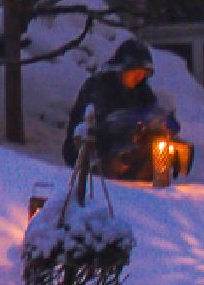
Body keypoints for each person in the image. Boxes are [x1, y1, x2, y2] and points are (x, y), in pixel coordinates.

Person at [62, 37, 179, 180]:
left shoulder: (143, 93)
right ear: (122, 69)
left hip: (136, 161)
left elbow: (153, 116)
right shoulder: (98, 88)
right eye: (135, 72)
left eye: (143, 74)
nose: (139, 78)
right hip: (99, 159)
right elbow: (90, 131)